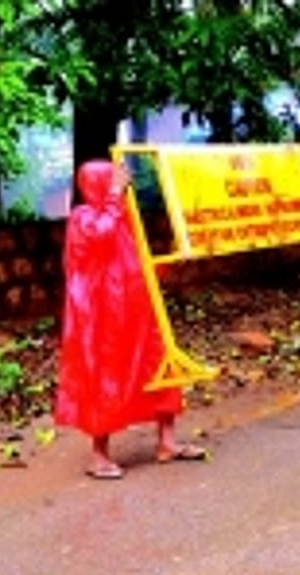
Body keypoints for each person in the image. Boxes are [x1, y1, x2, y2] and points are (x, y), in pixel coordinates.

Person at [55, 160, 205, 479]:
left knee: (158, 362)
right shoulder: (83, 218)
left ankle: (167, 441)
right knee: (107, 377)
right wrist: (113, 195)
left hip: (135, 306)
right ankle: (99, 454)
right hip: (102, 316)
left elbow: (135, 257)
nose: (119, 186)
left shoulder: (121, 214)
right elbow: (100, 236)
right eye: (110, 180)